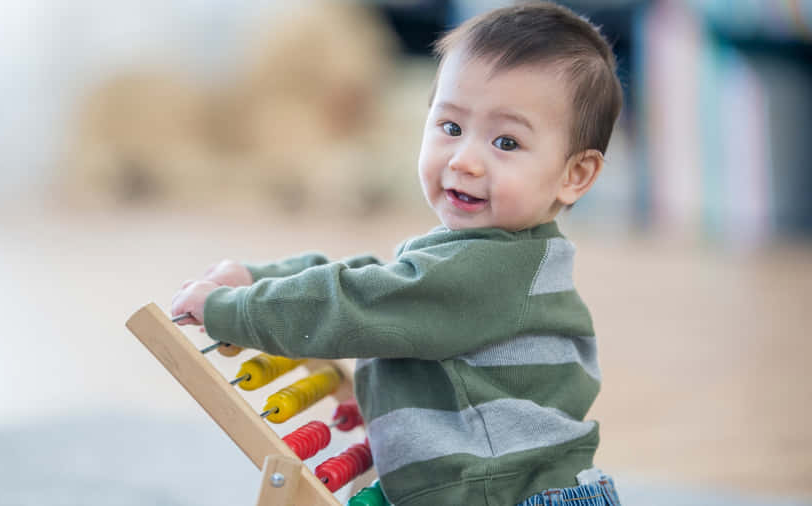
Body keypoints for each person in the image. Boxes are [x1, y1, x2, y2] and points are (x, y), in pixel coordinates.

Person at [171, 2, 624, 505]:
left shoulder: (488, 272)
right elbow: (381, 281)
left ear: (575, 174)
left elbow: (363, 302)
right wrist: (257, 276)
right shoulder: (504, 257)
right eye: (450, 127)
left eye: (505, 141)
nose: (465, 160)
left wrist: (232, 311)